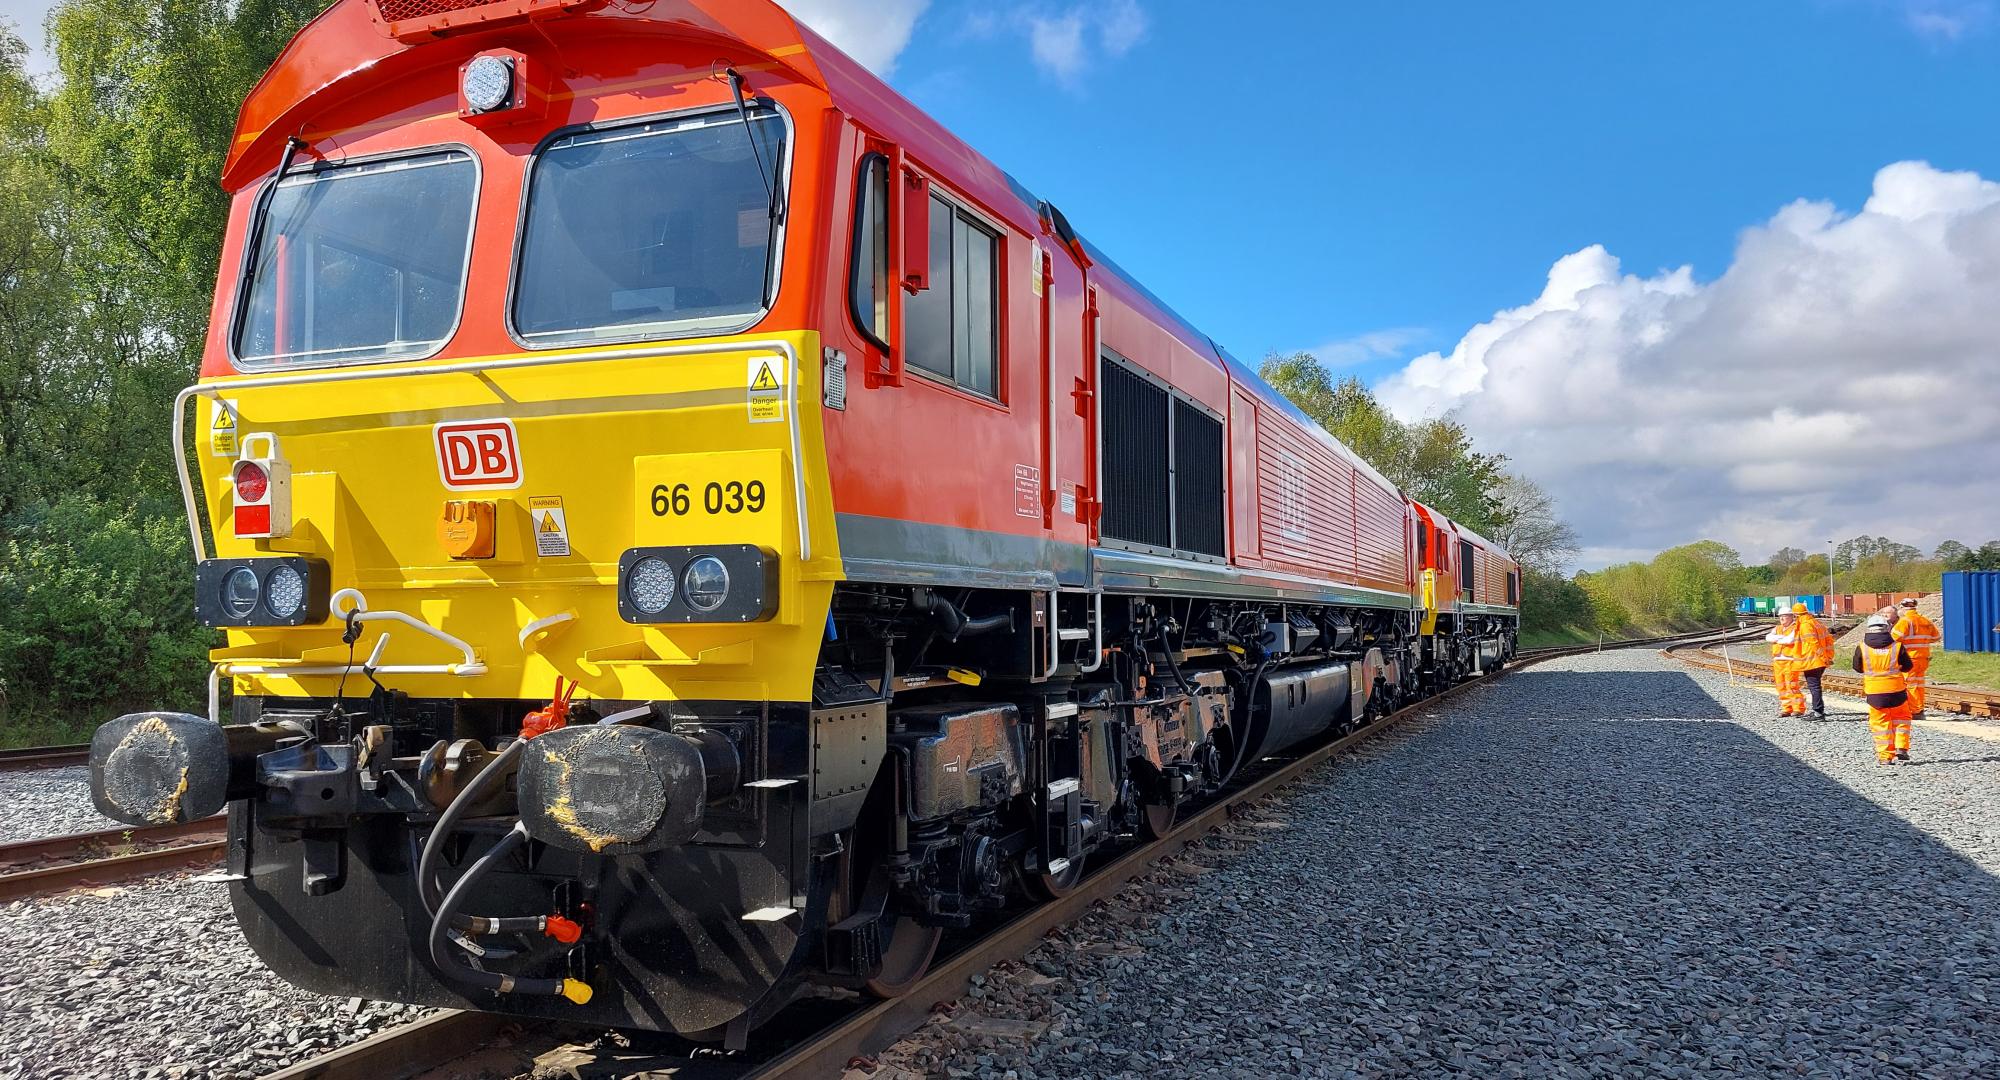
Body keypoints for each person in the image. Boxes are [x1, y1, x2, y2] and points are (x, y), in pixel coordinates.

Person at [1852, 614, 1915, 764]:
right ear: (1887, 628)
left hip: (1875, 693)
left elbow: (1857, 667)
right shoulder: (1897, 646)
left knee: (1880, 724)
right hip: (1897, 691)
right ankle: (1901, 748)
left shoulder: (1862, 647)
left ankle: (1885, 757)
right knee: (1902, 719)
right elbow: (1908, 666)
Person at [1891, 598, 1940, 718]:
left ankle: (1916, 711)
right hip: (1924, 658)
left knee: (1910, 684)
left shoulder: (1904, 621)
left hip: (1910, 658)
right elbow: (1936, 637)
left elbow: (1892, 639)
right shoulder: (1925, 620)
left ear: (1903, 608)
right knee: (1920, 684)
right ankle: (1920, 707)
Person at [1793, 602, 1834, 720]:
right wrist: (1828, 657)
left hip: (1813, 661)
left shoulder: (1805, 626)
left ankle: (1818, 713)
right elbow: (1829, 640)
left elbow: (1813, 643)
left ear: (1797, 615)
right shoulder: (1817, 623)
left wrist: (1823, 657)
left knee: (1814, 687)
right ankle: (1817, 710)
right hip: (1820, 661)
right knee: (1816, 686)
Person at [1764, 613, 1805, 717]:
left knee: (1791, 685)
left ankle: (1798, 708)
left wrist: (1777, 639)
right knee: (1781, 686)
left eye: (1785, 616)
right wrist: (1781, 637)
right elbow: (1768, 637)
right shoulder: (1777, 628)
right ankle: (1786, 708)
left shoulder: (1795, 628)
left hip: (1790, 660)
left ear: (1791, 617)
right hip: (1778, 660)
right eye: (1780, 616)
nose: (1782, 618)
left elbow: (1790, 640)